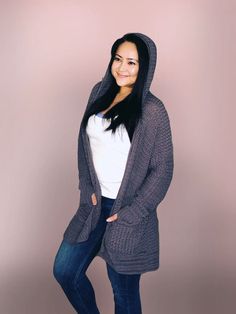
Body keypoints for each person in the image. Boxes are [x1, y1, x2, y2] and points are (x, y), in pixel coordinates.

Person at [53, 32, 174, 314]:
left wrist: (134, 211)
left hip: (126, 211)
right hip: (94, 206)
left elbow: (163, 169)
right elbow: (84, 145)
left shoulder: (153, 111)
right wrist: (86, 186)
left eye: (132, 62)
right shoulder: (99, 92)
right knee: (65, 271)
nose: (122, 67)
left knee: (123, 292)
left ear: (145, 67)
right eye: (118, 59)